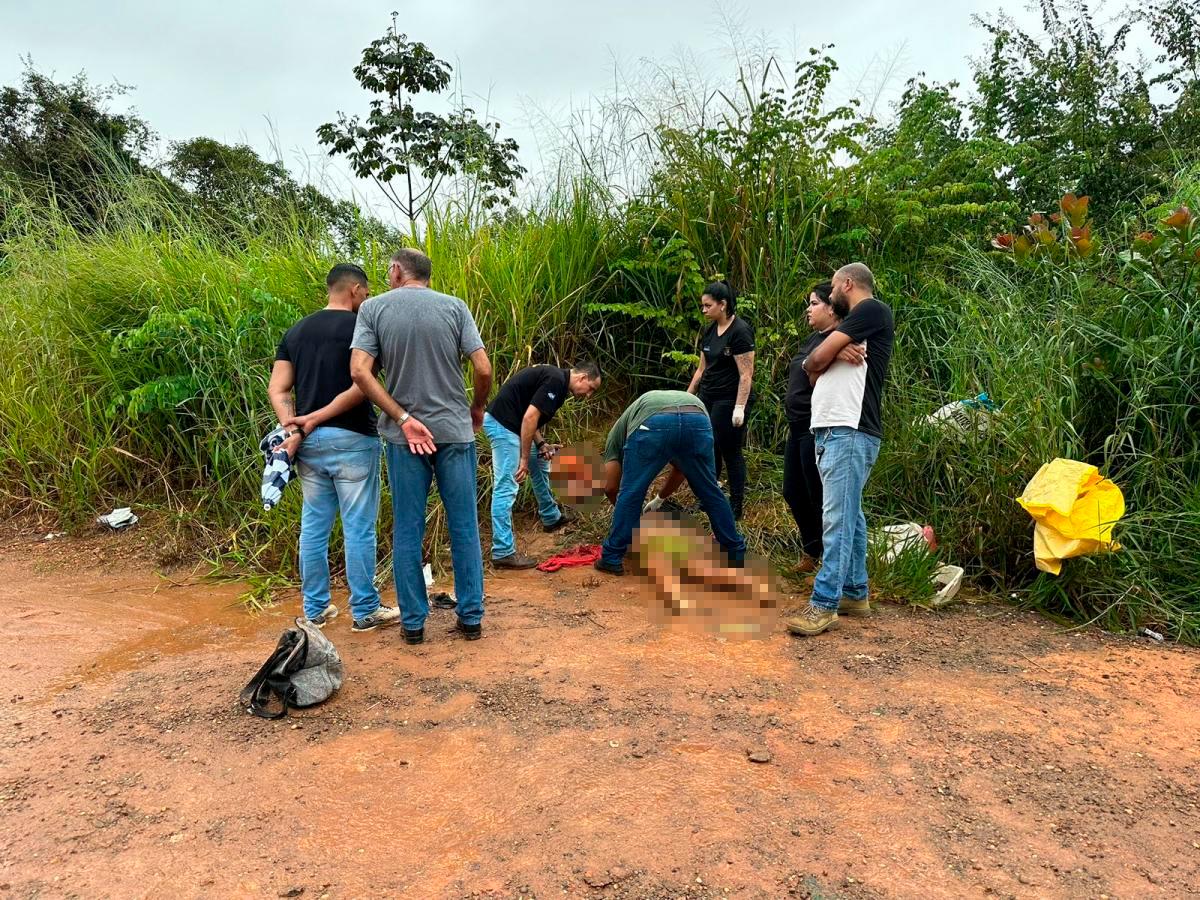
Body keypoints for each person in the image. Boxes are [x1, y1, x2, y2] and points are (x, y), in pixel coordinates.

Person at [349, 248, 492, 645]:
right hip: (453, 430)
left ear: (396, 272)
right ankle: (471, 618)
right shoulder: (455, 307)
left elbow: (360, 371)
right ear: (426, 274)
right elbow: (483, 367)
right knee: (464, 525)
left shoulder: (374, 309)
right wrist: (476, 407)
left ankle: (413, 624)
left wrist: (403, 418)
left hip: (404, 438)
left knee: (408, 529)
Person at [267, 264, 400, 633]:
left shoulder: (296, 331)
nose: (367, 298)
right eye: (367, 292)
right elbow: (365, 385)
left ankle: (315, 610)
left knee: (313, 526)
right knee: (358, 527)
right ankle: (365, 610)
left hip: (308, 444)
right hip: (354, 437)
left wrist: (294, 425)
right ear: (355, 291)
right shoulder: (362, 329)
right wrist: (318, 417)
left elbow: (277, 389)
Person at [787, 262, 894, 637]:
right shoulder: (851, 329)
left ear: (847, 283)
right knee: (851, 515)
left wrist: (828, 353)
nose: (830, 296)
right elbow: (810, 369)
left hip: (851, 429)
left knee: (837, 518)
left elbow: (815, 361)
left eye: (832, 288)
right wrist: (832, 352)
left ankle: (824, 604)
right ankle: (853, 592)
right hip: (834, 429)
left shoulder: (871, 310)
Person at [594, 390, 746, 575]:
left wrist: (632, 520)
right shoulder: (639, 413)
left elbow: (611, 487)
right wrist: (659, 499)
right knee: (710, 491)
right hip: (697, 418)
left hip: (654, 421)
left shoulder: (616, 435)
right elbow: (682, 468)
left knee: (632, 492)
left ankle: (611, 557)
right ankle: (735, 552)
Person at [645, 280, 755, 519]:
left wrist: (740, 406)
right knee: (708, 447)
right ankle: (709, 499)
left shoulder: (740, 331)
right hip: (708, 395)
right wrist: (686, 398)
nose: (703, 310)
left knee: (730, 450)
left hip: (729, 398)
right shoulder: (710, 330)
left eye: (707, 305)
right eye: (702, 306)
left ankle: (736, 506)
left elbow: (746, 373)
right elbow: (700, 369)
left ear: (723, 304)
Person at [483, 362, 603, 568]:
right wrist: (522, 459)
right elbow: (529, 417)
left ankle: (551, 517)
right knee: (507, 485)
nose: (589, 395)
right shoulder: (556, 380)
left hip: (512, 424)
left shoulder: (558, 382)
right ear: (582, 378)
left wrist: (541, 444)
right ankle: (502, 552)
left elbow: (529, 414)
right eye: (591, 388)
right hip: (503, 426)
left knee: (539, 460)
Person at [782, 282, 850, 572]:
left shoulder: (839, 339)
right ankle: (811, 551)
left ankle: (829, 563)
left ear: (832, 308)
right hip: (796, 427)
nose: (808, 310)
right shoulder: (814, 339)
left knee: (818, 494)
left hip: (817, 427)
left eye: (813, 303)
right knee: (793, 491)